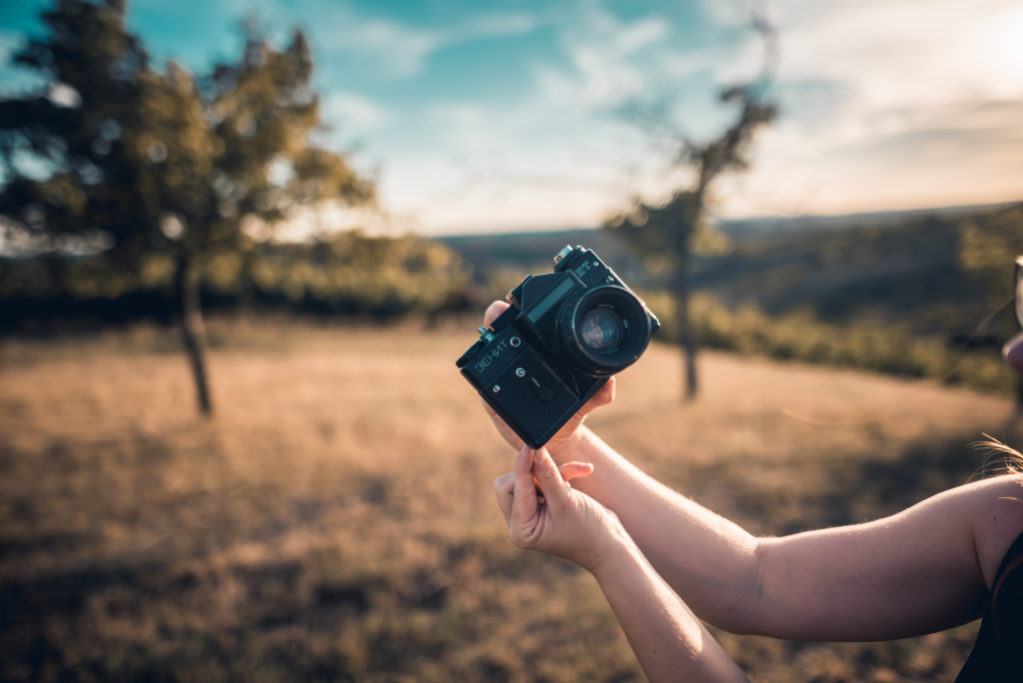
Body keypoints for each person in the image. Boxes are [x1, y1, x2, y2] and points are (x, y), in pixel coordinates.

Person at [489, 284, 1023, 682]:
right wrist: (564, 443)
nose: (1014, 352)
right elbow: (756, 580)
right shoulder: (1007, 512)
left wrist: (608, 551)